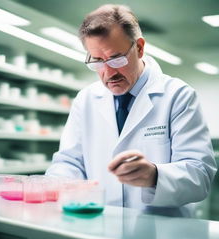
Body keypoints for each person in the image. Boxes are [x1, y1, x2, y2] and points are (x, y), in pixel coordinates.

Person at [46, 4, 217, 216]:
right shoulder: (86, 99)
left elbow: (199, 176)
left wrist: (154, 175)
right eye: (97, 61)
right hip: (100, 224)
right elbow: (68, 162)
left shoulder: (178, 95)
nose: (108, 72)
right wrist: (56, 186)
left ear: (139, 48)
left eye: (116, 58)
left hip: (162, 231)